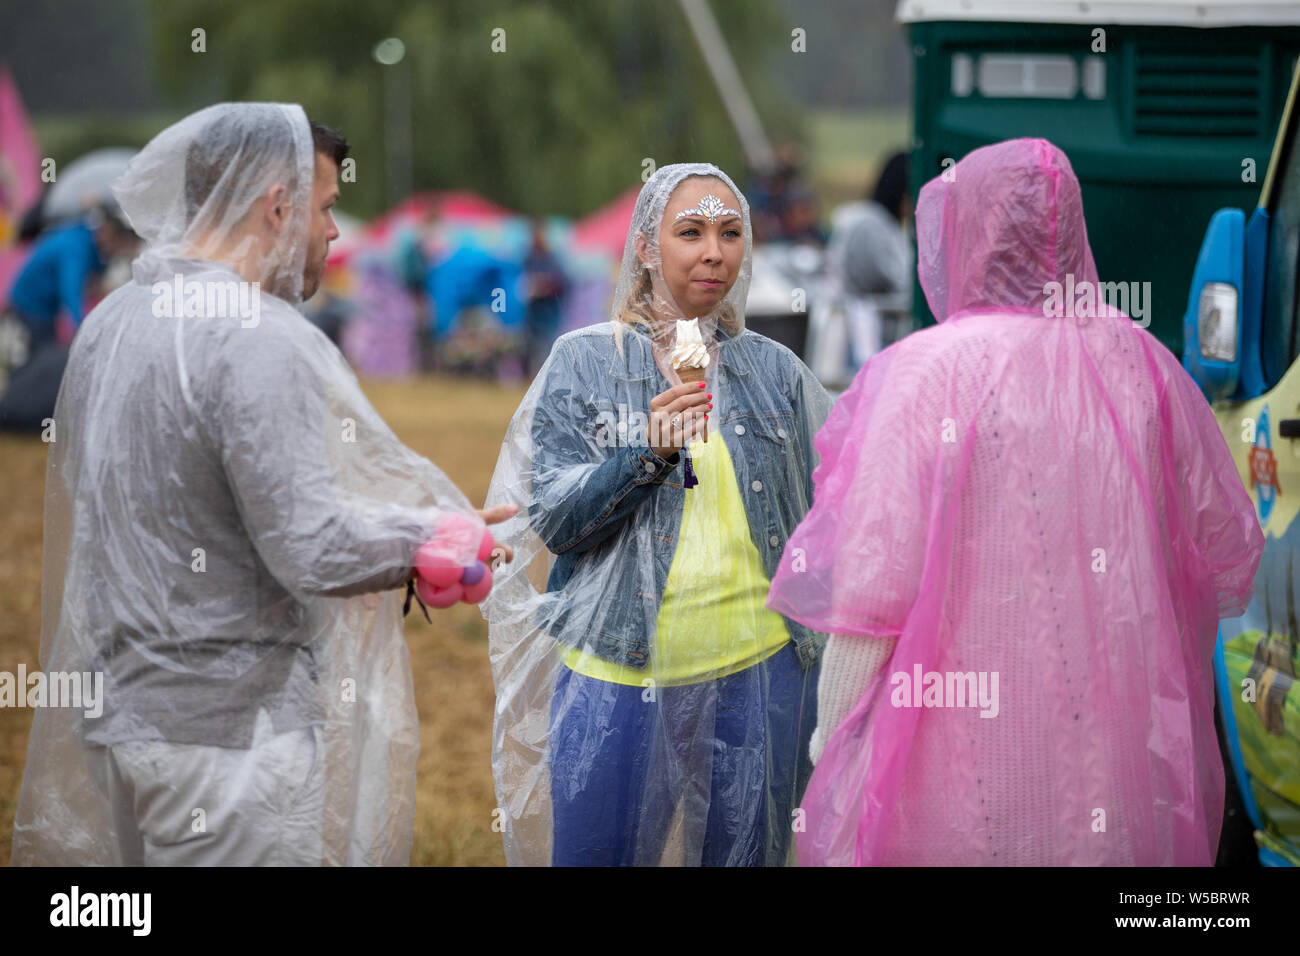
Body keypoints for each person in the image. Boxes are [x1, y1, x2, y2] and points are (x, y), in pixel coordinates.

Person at [10, 103, 513, 867]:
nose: (333, 232)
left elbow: (204, 508)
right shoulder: (256, 334)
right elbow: (307, 546)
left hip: (116, 715)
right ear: (277, 204)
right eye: (326, 207)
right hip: (227, 744)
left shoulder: (115, 321)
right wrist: (435, 537)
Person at [766, 138, 1264, 866]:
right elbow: (1211, 558)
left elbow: (871, 601)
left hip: (954, 779)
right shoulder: (1142, 368)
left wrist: (831, 738)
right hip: (1114, 776)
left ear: (966, 231)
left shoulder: (922, 375)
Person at [482, 163, 833, 866]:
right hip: (619, 671)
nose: (714, 252)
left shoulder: (776, 372)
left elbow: (833, 513)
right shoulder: (584, 363)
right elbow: (556, 522)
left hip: (758, 672)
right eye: (691, 232)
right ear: (645, 247)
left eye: (731, 232)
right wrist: (646, 452)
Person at [0, 204, 138, 432]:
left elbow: (90, 280)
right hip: (32, 305)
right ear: (108, 232)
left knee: (42, 357)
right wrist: (82, 332)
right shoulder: (75, 247)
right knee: (44, 360)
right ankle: (25, 414)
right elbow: (70, 291)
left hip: (44, 306)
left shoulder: (87, 241)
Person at [521, 219, 568, 378]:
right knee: (531, 343)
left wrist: (543, 286)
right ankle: (531, 375)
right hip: (532, 310)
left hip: (548, 310)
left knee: (546, 344)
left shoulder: (551, 259)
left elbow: (561, 281)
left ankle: (545, 376)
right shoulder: (529, 258)